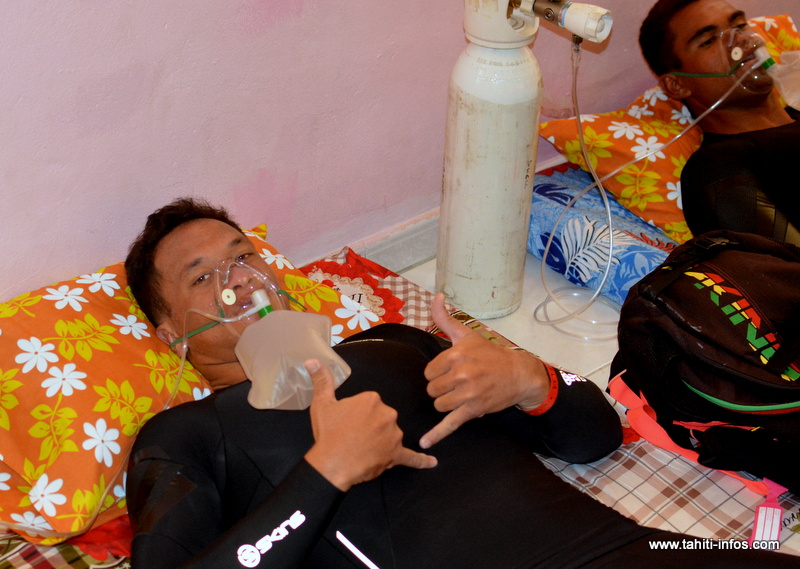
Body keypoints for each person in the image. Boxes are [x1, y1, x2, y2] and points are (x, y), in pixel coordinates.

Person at [124, 198, 800, 568]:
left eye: (242, 255)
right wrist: (324, 474)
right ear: (166, 330)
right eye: (203, 276)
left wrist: (534, 383)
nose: (239, 279)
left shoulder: (391, 344)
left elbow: (595, 439)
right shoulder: (185, 436)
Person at [639, 0, 800, 245]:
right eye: (709, 41)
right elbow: (785, 270)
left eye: (740, 25)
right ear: (678, 84)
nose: (742, 40)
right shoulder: (717, 169)